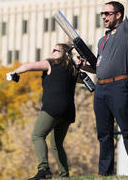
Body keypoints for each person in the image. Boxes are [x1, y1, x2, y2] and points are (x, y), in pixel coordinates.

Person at [77, 0, 128, 176]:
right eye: (102, 14)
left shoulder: (127, 30)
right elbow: (98, 67)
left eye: (107, 13)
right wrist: (83, 66)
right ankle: (104, 173)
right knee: (103, 134)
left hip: (120, 86)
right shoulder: (102, 40)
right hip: (101, 88)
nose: (103, 17)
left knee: (127, 129)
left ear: (118, 15)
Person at [7, 43, 78, 180]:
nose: (52, 52)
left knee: (37, 136)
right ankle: (65, 175)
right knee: (57, 144)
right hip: (68, 111)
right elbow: (82, 79)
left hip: (53, 107)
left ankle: (43, 169)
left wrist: (14, 72)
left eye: (55, 50)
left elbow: (29, 66)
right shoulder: (73, 69)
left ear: (63, 53)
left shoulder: (51, 63)